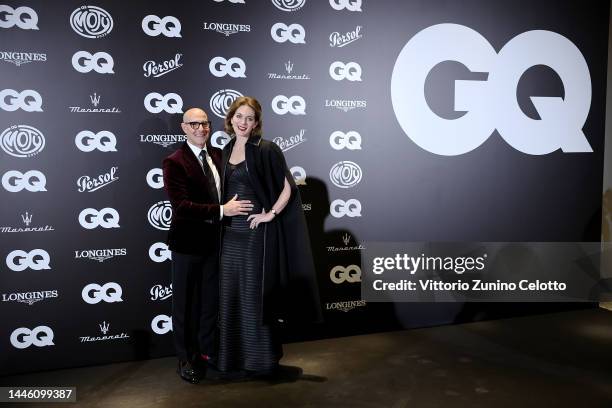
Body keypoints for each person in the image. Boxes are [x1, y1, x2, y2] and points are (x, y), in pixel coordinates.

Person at [217, 96, 322, 376]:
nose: (243, 123)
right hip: (229, 236)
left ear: (256, 123)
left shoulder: (266, 149)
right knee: (231, 297)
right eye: (239, 116)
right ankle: (232, 359)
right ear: (230, 119)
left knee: (253, 298)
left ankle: (261, 360)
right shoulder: (224, 150)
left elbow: (288, 186)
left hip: (254, 236)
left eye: (249, 118)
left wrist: (270, 213)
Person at [162, 107, 253, 384]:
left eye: (205, 123)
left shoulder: (217, 155)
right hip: (187, 246)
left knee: (210, 304)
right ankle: (185, 358)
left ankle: (206, 353)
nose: (201, 128)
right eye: (194, 124)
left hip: (217, 245)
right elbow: (182, 206)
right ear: (183, 127)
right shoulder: (174, 162)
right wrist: (224, 210)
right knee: (186, 305)